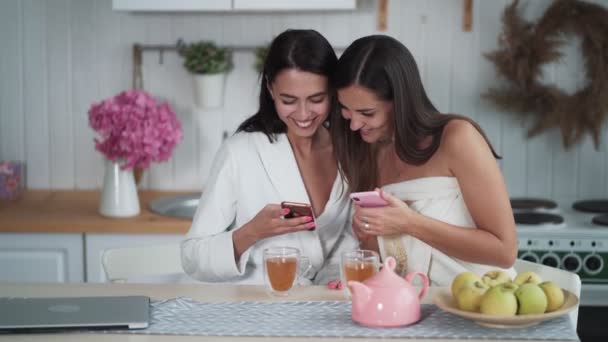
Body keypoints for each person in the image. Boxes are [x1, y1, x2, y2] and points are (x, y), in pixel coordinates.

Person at [330, 35, 518, 286]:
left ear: (400, 102)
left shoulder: (457, 138)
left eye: (367, 113)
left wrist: (410, 223)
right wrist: (366, 237)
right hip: (411, 308)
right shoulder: (368, 150)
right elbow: (393, 262)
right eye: (345, 110)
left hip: (481, 303)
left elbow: (504, 252)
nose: (353, 124)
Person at [181, 29, 354, 285]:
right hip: (256, 306)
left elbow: (346, 240)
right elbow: (192, 257)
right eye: (289, 100)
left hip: (322, 307)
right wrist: (251, 232)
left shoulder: (347, 150)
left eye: (316, 99)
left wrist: (334, 277)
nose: (304, 114)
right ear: (271, 90)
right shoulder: (240, 152)